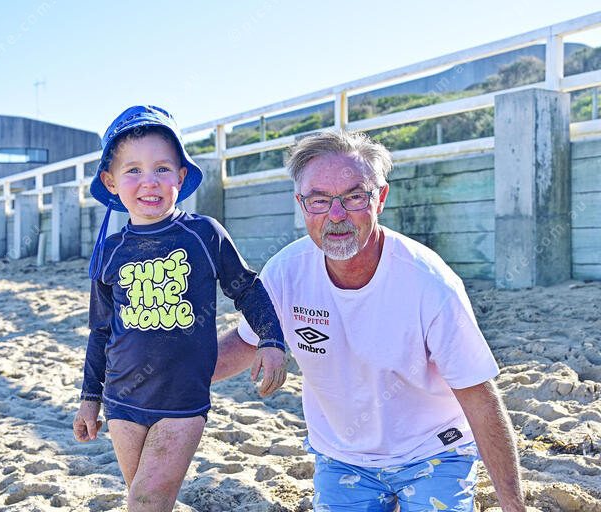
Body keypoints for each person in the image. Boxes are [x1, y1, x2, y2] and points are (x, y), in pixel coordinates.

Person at [213, 130, 525, 511]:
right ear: (301, 204)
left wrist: (513, 506)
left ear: (381, 198)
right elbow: (245, 343)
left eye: (354, 197)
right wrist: (165, 375)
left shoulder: (429, 282)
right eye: (319, 200)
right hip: (342, 458)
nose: (336, 215)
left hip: (434, 450)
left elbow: (480, 398)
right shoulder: (286, 272)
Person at [72, 105, 286, 512]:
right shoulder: (109, 252)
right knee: (147, 498)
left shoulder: (203, 234)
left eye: (162, 169)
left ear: (181, 176)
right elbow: (100, 331)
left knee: (147, 498)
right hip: (121, 400)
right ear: (110, 181)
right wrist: (89, 398)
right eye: (133, 170)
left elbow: (247, 288)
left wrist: (271, 340)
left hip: (182, 400)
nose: (149, 181)